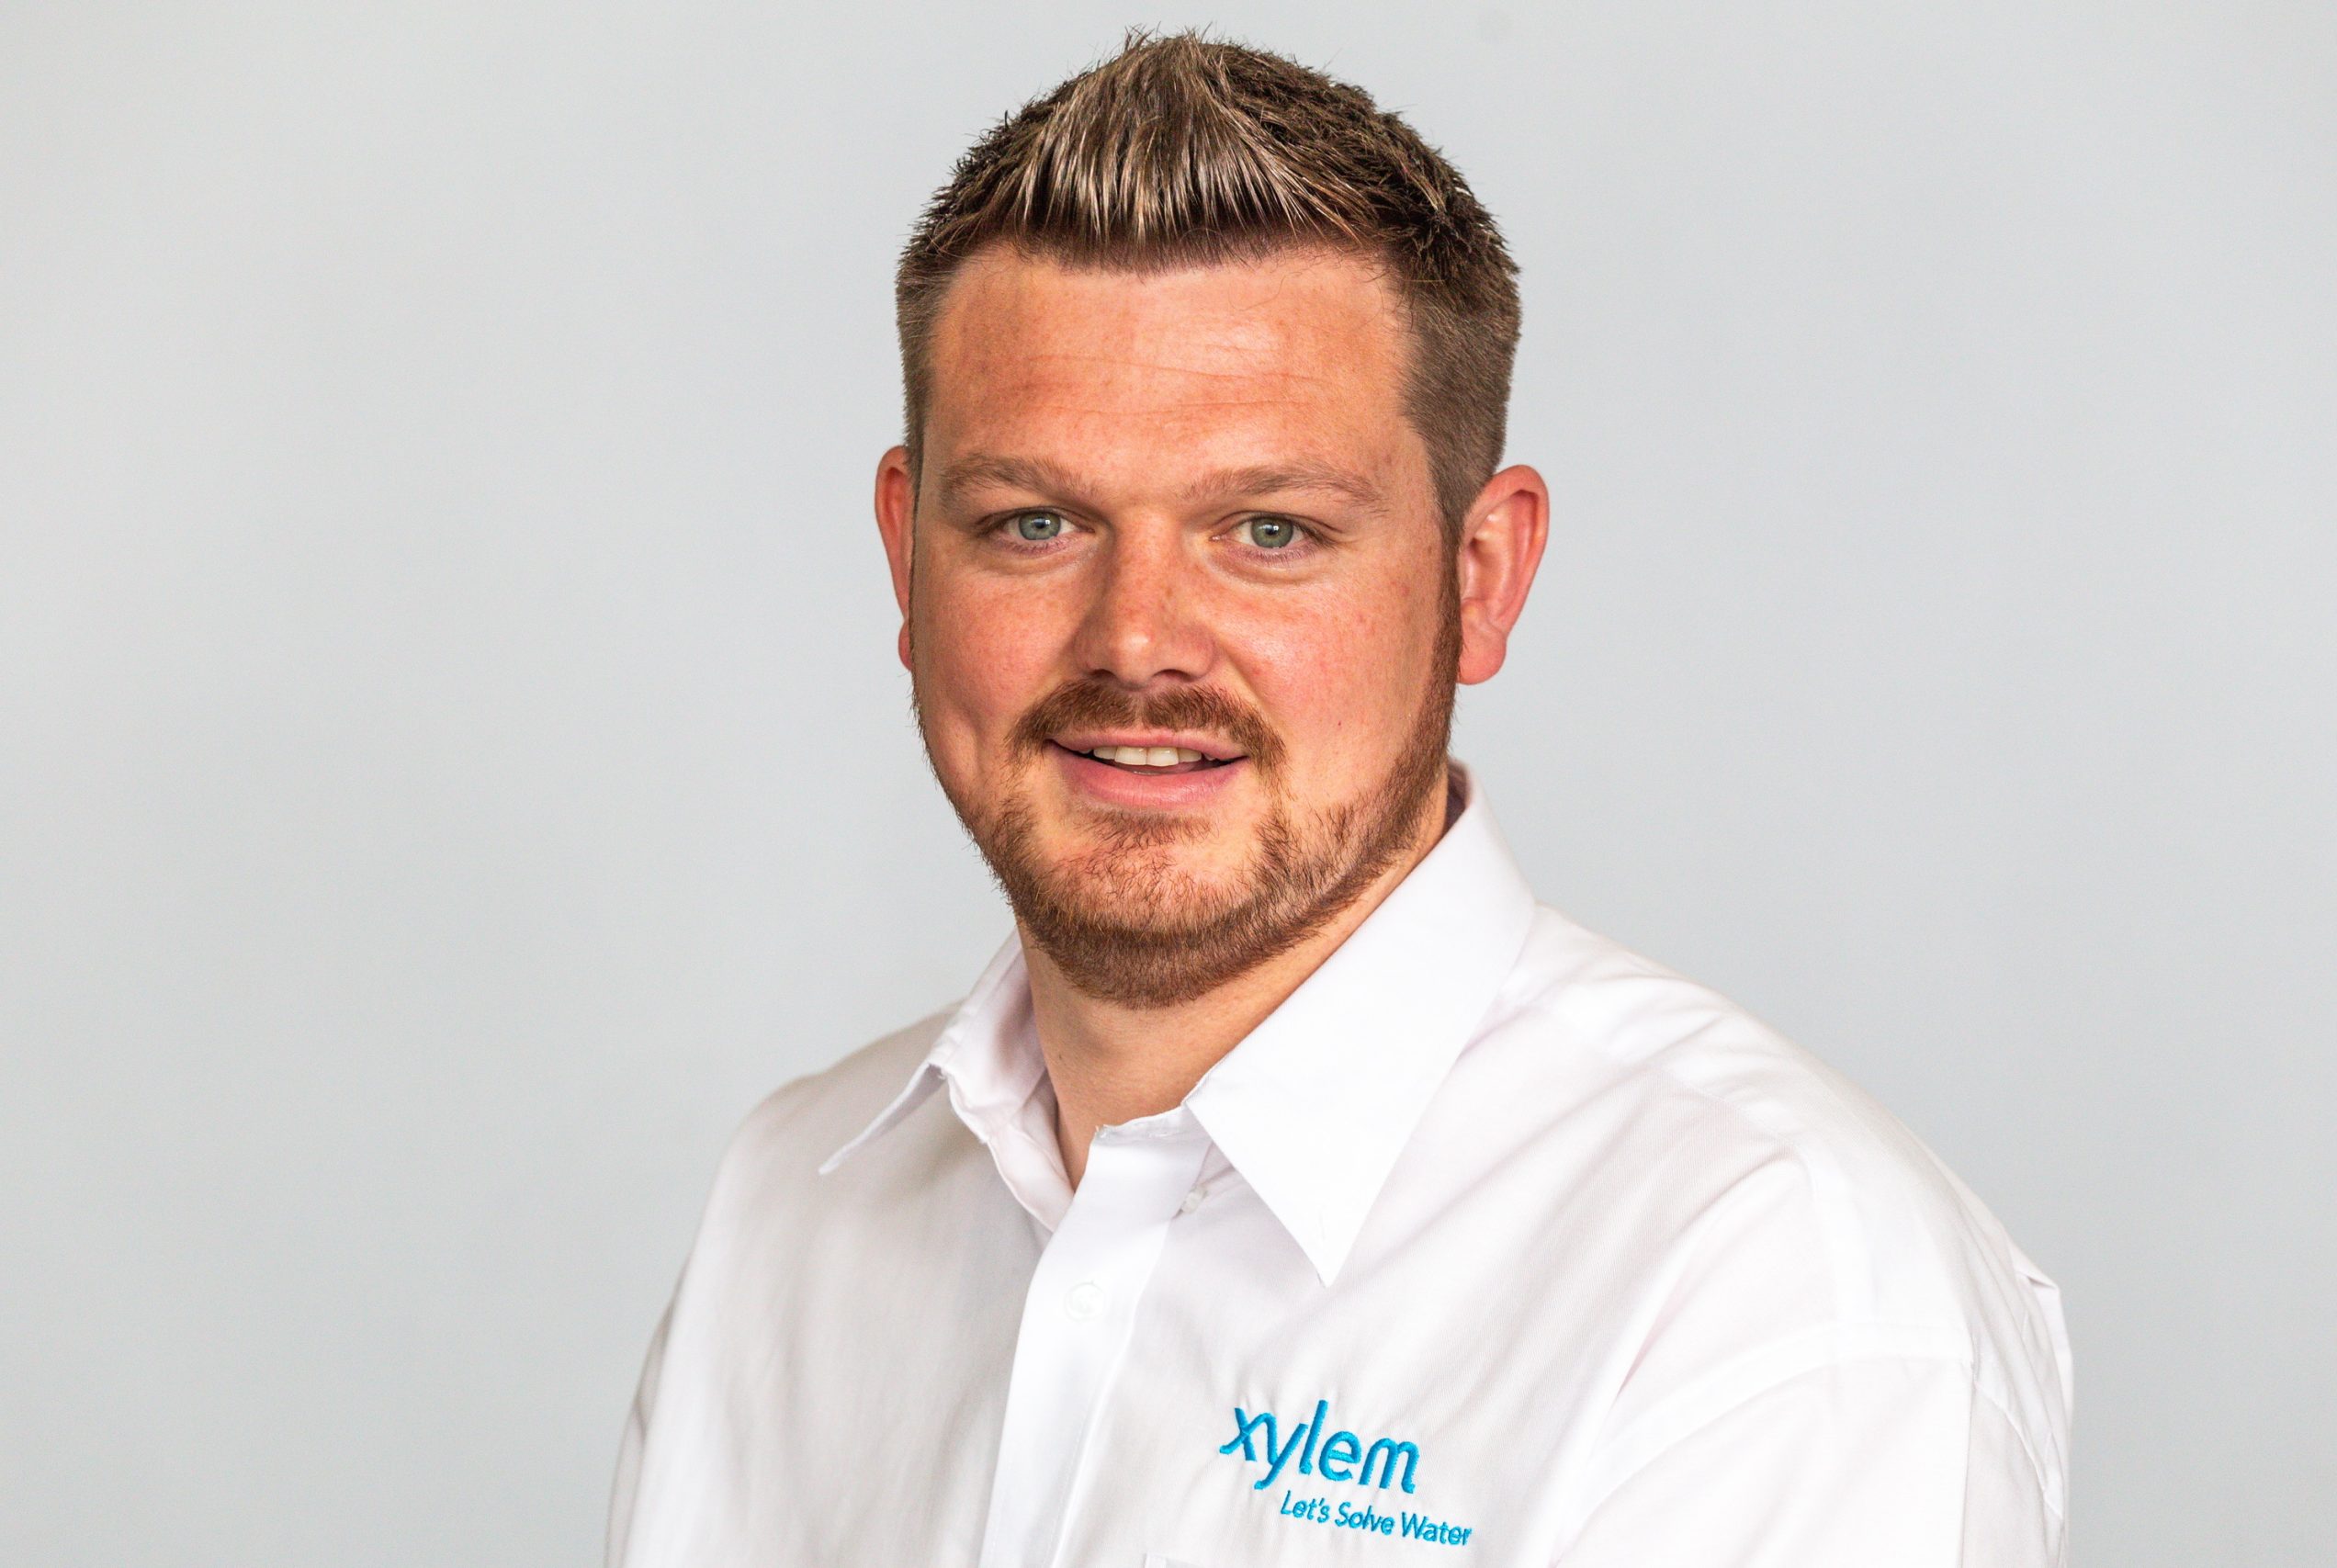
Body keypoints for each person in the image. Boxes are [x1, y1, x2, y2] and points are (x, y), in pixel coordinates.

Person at [604, 31, 2073, 1568]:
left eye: (1270, 531)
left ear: (1481, 576)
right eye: (1035, 522)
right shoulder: (791, 1212)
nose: (1137, 643)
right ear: (908, 554)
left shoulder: (1774, 1290)